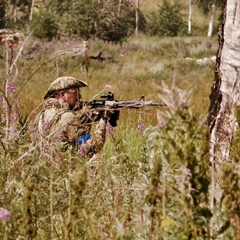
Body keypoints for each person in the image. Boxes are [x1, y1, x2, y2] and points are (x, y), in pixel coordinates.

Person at [37, 76, 111, 157]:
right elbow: (90, 148)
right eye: (75, 93)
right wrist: (102, 122)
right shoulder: (68, 117)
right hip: (69, 166)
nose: (80, 97)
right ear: (62, 95)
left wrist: (87, 119)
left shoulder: (43, 114)